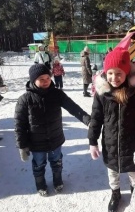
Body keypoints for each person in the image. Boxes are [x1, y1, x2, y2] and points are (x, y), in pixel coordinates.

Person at [88, 48, 135, 212]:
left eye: (119, 73)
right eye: (110, 73)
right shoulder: (102, 92)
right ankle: (115, 194)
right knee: (113, 172)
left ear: (126, 72)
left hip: (133, 143)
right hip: (110, 143)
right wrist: (92, 141)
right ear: (105, 72)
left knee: (134, 172)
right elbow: (96, 117)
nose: (114, 78)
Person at [14, 64, 91, 196]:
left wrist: (88, 120)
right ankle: (40, 184)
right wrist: (22, 145)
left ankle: (57, 180)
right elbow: (19, 125)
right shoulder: (25, 99)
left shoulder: (57, 94)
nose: (46, 81)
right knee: (39, 165)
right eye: (41, 79)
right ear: (33, 80)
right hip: (36, 143)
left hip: (55, 139)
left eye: (48, 78)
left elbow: (74, 108)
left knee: (57, 162)